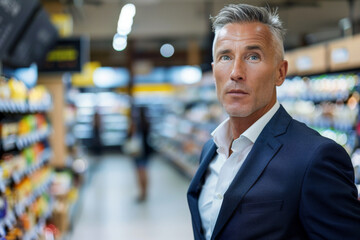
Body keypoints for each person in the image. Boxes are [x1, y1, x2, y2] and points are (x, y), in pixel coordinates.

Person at [187, 4, 360, 240]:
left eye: (253, 56)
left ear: (280, 73)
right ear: (214, 70)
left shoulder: (315, 158)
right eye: (225, 56)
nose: (236, 72)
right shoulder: (211, 150)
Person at [130, 106, 152, 202]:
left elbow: (130, 135)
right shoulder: (147, 123)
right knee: (145, 171)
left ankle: (141, 192)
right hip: (146, 151)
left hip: (137, 151)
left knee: (139, 173)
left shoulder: (135, 124)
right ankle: (145, 192)